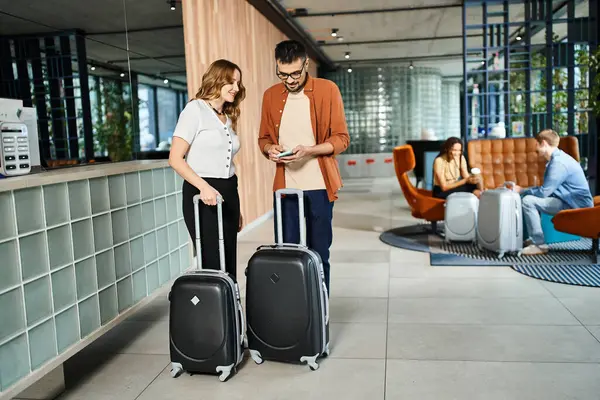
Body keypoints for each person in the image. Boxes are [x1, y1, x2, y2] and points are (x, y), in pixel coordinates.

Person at [257, 40, 350, 293]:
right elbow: (263, 139)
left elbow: (341, 138)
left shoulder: (327, 90)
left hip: (319, 187)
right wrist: (270, 150)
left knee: (319, 255)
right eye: (283, 74)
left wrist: (309, 150)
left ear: (306, 64)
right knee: (287, 256)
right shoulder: (271, 96)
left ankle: (320, 317)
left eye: (296, 73)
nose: (290, 80)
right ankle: (293, 317)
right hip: (286, 189)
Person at [168, 59, 246, 279]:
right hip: (202, 195)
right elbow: (175, 158)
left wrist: (235, 205)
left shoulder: (228, 117)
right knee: (212, 260)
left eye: (238, 83)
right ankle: (212, 312)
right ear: (217, 80)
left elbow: (227, 164)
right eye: (231, 82)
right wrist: (204, 188)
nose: (236, 88)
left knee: (229, 259)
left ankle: (228, 311)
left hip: (229, 193)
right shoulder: (195, 110)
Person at [508, 129, 593, 255]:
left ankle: (539, 244)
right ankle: (534, 239)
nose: (534, 147)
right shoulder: (557, 159)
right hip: (567, 201)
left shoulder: (558, 164)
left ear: (543, 143)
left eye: (536, 143)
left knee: (528, 201)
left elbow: (543, 193)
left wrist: (521, 190)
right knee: (531, 199)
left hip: (577, 207)